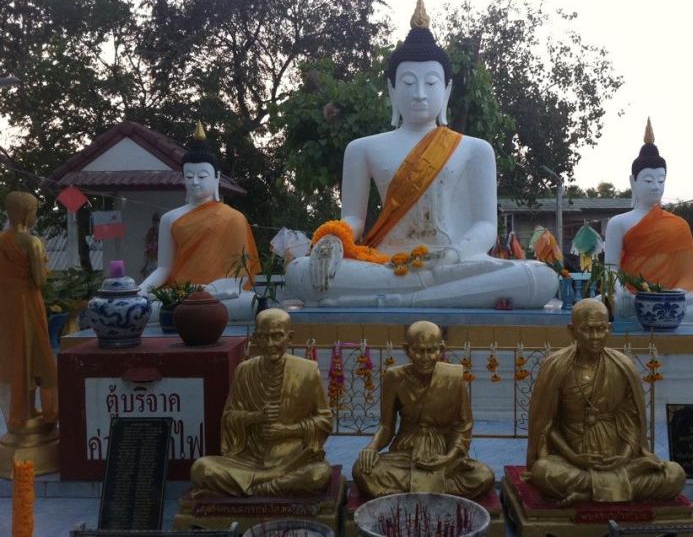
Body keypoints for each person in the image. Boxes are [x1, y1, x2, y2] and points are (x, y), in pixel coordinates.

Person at [284, 0, 558, 308]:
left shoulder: (474, 149)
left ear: (447, 90)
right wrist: (333, 238)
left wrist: (452, 254)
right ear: (391, 89)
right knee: (301, 271)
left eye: (430, 83)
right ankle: (419, 296)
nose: (419, 94)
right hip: (385, 265)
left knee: (539, 277)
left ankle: (397, 300)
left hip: (451, 264)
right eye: (408, 83)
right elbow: (353, 218)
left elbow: (485, 226)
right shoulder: (362, 149)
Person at [525, 298, 685, 505]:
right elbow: (547, 425)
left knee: (675, 475)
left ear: (609, 328)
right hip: (574, 460)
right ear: (572, 330)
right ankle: (619, 484)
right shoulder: (557, 367)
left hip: (618, 459)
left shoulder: (622, 366)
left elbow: (631, 421)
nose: (595, 337)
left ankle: (591, 491)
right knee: (543, 471)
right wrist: (574, 458)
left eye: (601, 329)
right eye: (588, 330)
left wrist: (625, 455)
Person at [190, 308, 332, 497]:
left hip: (292, 459)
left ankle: (253, 487)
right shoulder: (244, 371)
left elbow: (325, 420)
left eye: (277, 336)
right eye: (264, 337)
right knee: (201, 468)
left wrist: (287, 430)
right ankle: (271, 483)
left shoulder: (307, 371)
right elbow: (229, 418)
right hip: (250, 459)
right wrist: (256, 417)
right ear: (255, 338)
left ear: (290, 338)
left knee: (318, 475)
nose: (270, 344)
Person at [604, 119, 693, 322]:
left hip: (670, 298)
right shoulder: (618, 222)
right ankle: (652, 313)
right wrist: (620, 292)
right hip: (632, 296)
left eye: (661, 180)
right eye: (648, 180)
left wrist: (680, 294)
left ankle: (655, 313)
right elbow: (610, 268)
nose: (656, 186)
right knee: (596, 307)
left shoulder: (678, 224)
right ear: (633, 182)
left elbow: (684, 274)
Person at [352, 320, 494, 498]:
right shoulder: (394, 377)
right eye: (419, 351)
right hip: (406, 454)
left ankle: (413, 490)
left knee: (484, 475)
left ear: (441, 350)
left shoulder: (453, 378)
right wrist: (371, 448)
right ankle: (437, 489)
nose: (425, 358)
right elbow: (386, 427)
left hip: (441, 456)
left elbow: (463, 426)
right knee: (361, 471)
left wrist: (449, 457)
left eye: (431, 350)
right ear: (407, 349)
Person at [139, 122, 260, 321]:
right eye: (189, 176)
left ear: (216, 178)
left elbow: (240, 277)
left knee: (248, 304)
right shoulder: (170, 218)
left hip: (220, 294)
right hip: (180, 294)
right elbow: (163, 268)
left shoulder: (234, 218)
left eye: (202, 176)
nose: (195, 182)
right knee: (147, 309)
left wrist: (209, 290)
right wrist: (141, 290)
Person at [0, 191, 58, 433]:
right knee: (38, 355)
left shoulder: (2, 240)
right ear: (26, 213)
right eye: (34, 211)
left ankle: (21, 414)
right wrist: (43, 262)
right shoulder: (32, 242)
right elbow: (39, 280)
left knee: (14, 356)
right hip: (28, 305)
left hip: (6, 305)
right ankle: (46, 414)